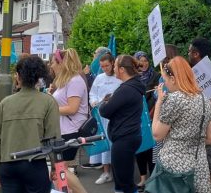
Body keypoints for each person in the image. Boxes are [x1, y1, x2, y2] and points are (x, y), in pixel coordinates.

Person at [0, 55, 60, 192]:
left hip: (7, 164)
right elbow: (53, 137)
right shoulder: (48, 102)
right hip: (34, 164)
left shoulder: (5, 103)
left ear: (18, 76)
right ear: (38, 77)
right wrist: (55, 165)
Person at [152, 56, 211, 193]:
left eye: (165, 79)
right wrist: (192, 139)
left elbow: (157, 135)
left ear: (173, 79)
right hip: (199, 166)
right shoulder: (204, 99)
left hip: (174, 167)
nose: (166, 84)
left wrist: (158, 103)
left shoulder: (174, 99)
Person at [99, 55, 145, 193]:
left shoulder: (126, 89)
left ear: (122, 70)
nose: (113, 69)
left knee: (123, 183)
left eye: (115, 66)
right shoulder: (133, 86)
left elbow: (105, 111)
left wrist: (104, 102)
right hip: (129, 136)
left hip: (124, 139)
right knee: (124, 180)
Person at [49, 48, 88, 193]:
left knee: (60, 170)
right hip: (64, 129)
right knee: (59, 172)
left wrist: (49, 109)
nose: (51, 66)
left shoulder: (75, 80)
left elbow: (72, 108)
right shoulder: (67, 81)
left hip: (71, 130)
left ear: (61, 63)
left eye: (53, 62)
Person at [88, 52, 122, 185]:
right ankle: (106, 172)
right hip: (102, 117)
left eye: (107, 66)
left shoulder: (119, 78)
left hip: (116, 117)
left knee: (116, 145)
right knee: (105, 144)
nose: (105, 69)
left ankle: (118, 172)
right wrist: (96, 102)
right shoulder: (99, 78)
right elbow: (92, 94)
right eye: (102, 66)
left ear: (113, 63)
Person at [133, 51, 157, 190]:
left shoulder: (155, 75)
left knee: (152, 148)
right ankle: (142, 178)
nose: (144, 63)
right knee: (140, 148)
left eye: (146, 60)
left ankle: (153, 178)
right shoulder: (134, 78)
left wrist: (152, 112)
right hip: (138, 116)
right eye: (140, 61)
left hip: (152, 115)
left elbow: (156, 96)